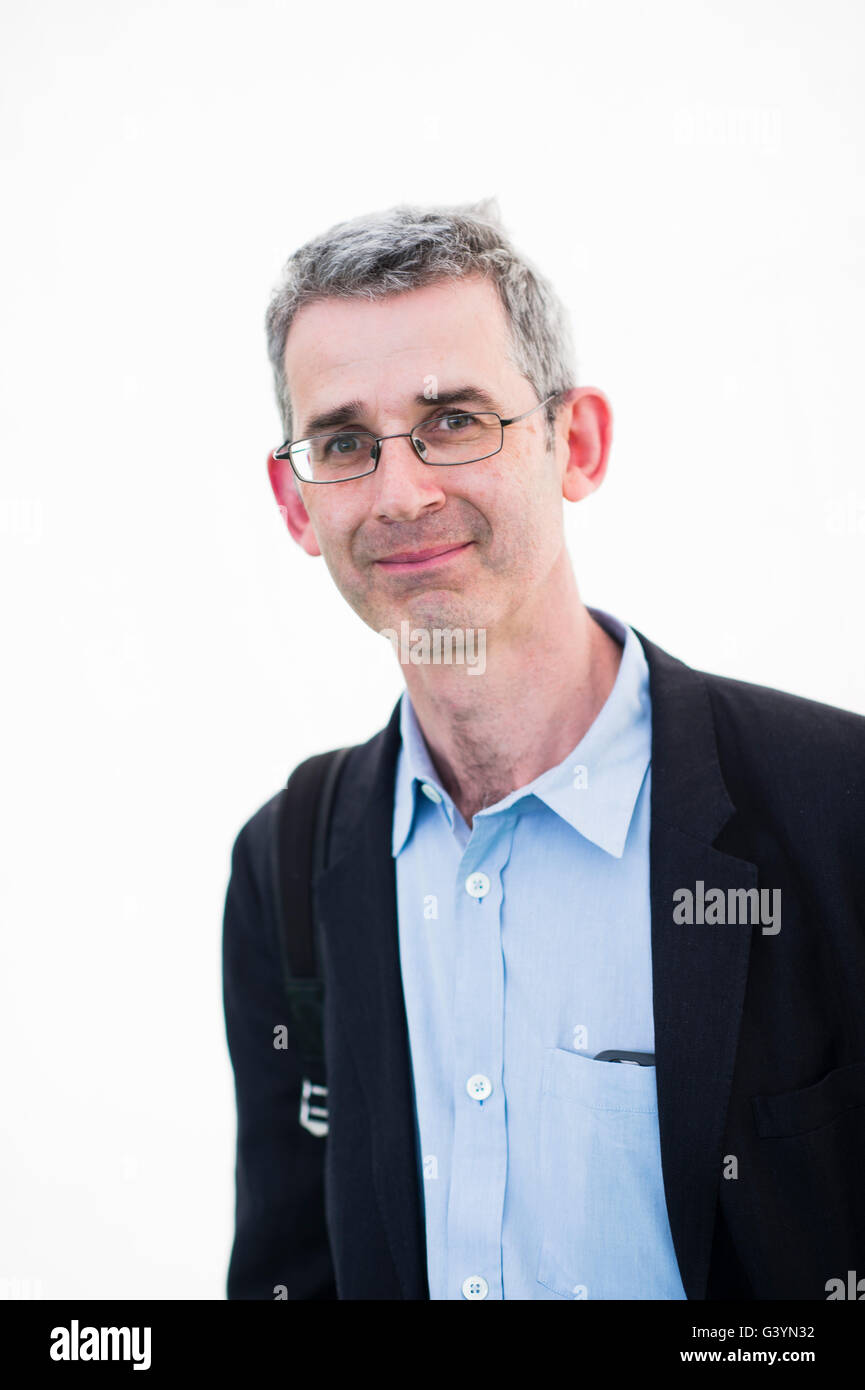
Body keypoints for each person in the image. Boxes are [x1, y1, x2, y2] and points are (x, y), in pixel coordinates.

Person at [222, 198, 865, 1300]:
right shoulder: (286, 866)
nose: (401, 492)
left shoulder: (840, 808)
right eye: (342, 442)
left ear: (578, 442)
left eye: (456, 419)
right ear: (295, 502)